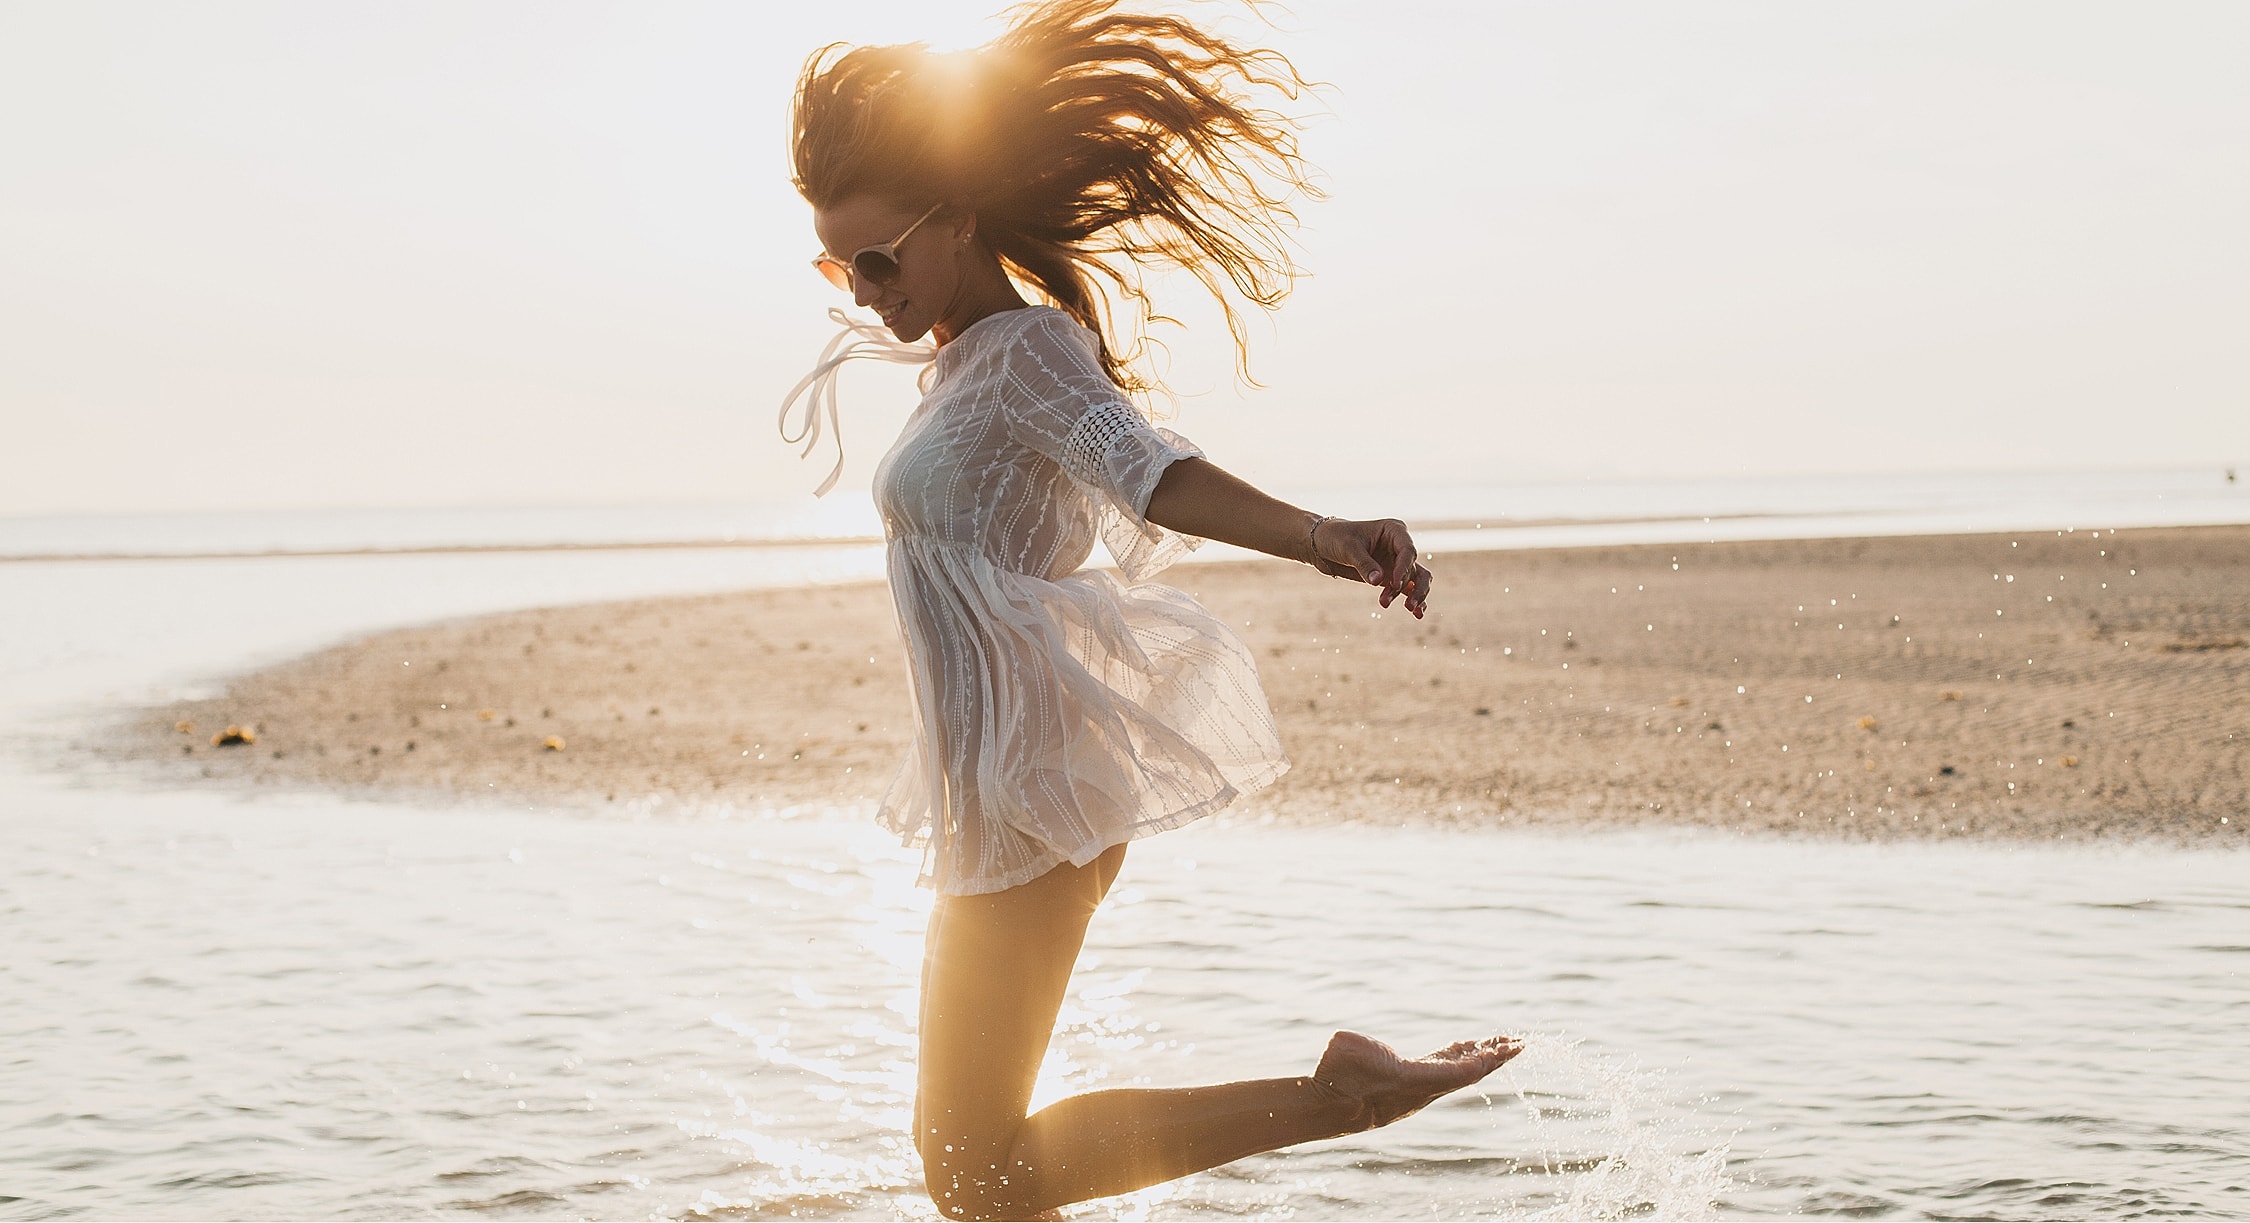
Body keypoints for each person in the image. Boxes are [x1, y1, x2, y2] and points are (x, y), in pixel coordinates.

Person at [782, 3, 1520, 1217]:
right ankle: (1345, 1093)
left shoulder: (1027, 350)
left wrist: (1325, 539)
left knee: (972, 1168)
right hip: (991, 791)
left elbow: (1150, 467)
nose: (865, 295)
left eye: (879, 260)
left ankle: (1348, 1096)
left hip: (1035, 784)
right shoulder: (966, 359)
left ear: (955, 218)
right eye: (837, 267)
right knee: (976, 1168)